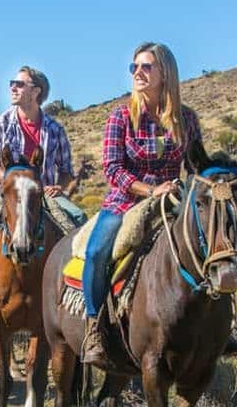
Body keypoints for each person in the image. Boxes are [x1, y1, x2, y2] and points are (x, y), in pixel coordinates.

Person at [81, 42, 202, 368]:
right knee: (96, 253)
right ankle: (94, 327)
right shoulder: (121, 116)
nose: (138, 72)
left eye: (146, 67)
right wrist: (149, 190)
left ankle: (220, 326)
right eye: (134, 67)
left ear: (165, 73)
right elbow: (112, 169)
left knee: (212, 246)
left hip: (174, 200)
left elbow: (195, 165)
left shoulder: (186, 119)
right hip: (125, 202)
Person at [0, 66, 87, 318]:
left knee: (80, 223)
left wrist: (59, 186)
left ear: (36, 91)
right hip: (4, 194)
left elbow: (65, 169)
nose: (13, 87)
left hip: (44, 196)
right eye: (13, 83)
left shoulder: (54, 129)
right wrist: (14, 181)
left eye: (19, 84)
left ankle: (75, 294)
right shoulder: (0, 123)